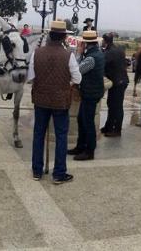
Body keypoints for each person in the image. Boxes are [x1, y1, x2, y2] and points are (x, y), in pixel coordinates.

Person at [27, 19, 81, 184]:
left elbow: (30, 78)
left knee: (38, 135)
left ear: (50, 35)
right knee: (61, 136)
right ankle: (59, 173)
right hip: (60, 101)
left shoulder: (37, 53)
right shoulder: (68, 55)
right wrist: (65, 84)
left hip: (41, 99)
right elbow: (77, 78)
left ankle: (37, 171)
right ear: (64, 37)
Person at [68, 29, 104, 161]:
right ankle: (81, 146)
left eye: (82, 43)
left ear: (86, 44)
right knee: (81, 120)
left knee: (87, 122)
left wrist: (78, 53)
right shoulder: (97, 54)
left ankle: (89, 151)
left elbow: (77, 71)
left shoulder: (91, 58)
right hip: (91, 92)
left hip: (90, 93)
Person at [100, 32, 129, 137]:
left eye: (103, 40)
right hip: (120, 81)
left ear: (106, 41)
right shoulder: (118, 49)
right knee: (112, 104)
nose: (102, 42)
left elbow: (102, 64)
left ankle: (117, 130)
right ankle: (108, 126)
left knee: (116, 106)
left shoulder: (110, 52)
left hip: (118, 82)